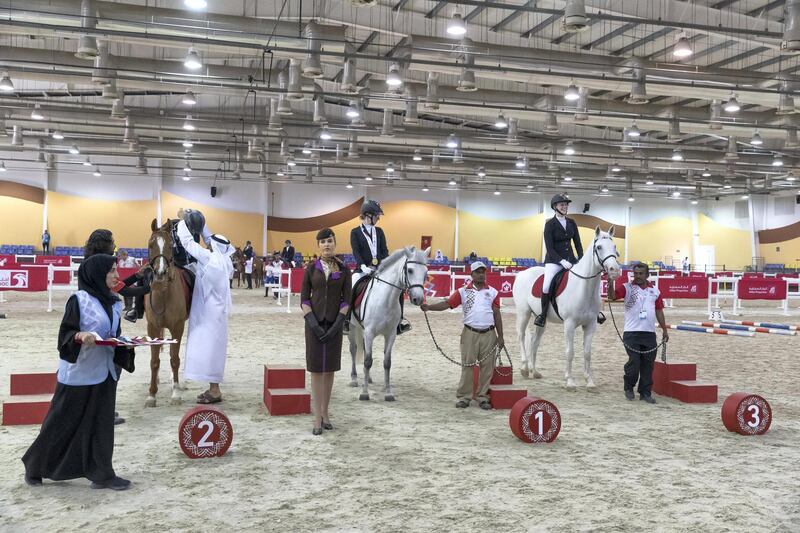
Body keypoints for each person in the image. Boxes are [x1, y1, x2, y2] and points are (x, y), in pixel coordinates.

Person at [22, 254, 133, 490]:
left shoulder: (114, 302)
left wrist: (124, 342)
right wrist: (80, 336)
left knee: (102, 424)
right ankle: (35, 465)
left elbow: (113, 332)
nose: (117, 275)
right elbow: (65, 336)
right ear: (97, 274)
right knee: (60, 423)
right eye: (112, 270)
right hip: (79, 373)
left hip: (105, 372)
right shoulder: (78, 301)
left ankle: (102, 473)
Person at [84, 229, 148, 425]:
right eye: (112, 242)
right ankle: (104, 412)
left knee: (109, 368)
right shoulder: (101, 265)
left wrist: (137, 275)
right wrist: (152, 288)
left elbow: (119, 285)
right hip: (104, 321)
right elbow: (124, 289)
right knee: (111, 369)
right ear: (105, 244)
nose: (114, 245)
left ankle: (102, 411)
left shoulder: (92, 263)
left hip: (101, 319)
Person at [421, 261, 504, 410]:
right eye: (477, 272)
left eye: (483, 272)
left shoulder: (493, 292)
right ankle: (465, 397)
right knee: (468, 365)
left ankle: (482, 396)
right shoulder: (463, 292)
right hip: (469, 333)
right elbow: (447, 304)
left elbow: (497, 314)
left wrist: (501, 336)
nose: (481, 274)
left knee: (487, 367)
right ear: (471, 274)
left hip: (489, 333)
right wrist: (429, 307)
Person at [175, 216, 234, 404]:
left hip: (208, 312)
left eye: (210, 244)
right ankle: (213, 387)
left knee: (208, 350)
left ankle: (215, 391)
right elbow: (211, 240)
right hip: (218, 314)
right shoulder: (226, 261)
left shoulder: (210, 258)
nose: (208, 245)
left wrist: (185, 221)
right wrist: (201, 225)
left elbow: (186, 242)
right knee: (214, 350)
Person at [301, 228, 352, 435]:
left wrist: (338, 323)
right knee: (316, 370)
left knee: (329, 369)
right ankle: (316, 416)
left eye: (330, 241)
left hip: (334, 325)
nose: (327, 245)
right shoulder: (310, 269)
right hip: (314, 324)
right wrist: (312, 322)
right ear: (318, 246)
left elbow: (346, 300)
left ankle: (325, 413)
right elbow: (304, 298)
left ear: (335, 243)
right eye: (323, 242)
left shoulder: (344, 269)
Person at [536, 193, 604, 327]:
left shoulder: (572, 223)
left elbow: (577, 243)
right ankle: (543, 315)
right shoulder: (549, 225)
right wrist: (561, 261)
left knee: (588, 280)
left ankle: (595, 311)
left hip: (571, 260)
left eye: (566, 204)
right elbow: (550, 248)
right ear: (555, 206)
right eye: (562, 204)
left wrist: (581, 258)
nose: (565, 206)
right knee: (546, 285)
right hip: (554, 261)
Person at [608, 263, 669, 404]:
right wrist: (610, 284)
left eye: (641, 273)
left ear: (647, 275)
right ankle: (628, 387)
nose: (638, 276)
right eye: (636, 273)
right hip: (631, 333)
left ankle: (645, 393)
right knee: (634, 363)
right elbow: (612, 297)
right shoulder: (627, 288)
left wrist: (664, 330)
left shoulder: (655, 291)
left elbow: (659, 311)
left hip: (649, 333)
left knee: (648, 365)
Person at [349, 200, 411, 335]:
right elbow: (356, 251)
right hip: (363, 270)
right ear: (368, 215)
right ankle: (347, 320)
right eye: (377, 215)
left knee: (397, 288)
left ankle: (398, 321)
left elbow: (384, 251)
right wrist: (363, 266)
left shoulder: (379, 231)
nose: (378, 218)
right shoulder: (355, 232)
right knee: (352, 284)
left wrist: (386, 265)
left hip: (379, 270)